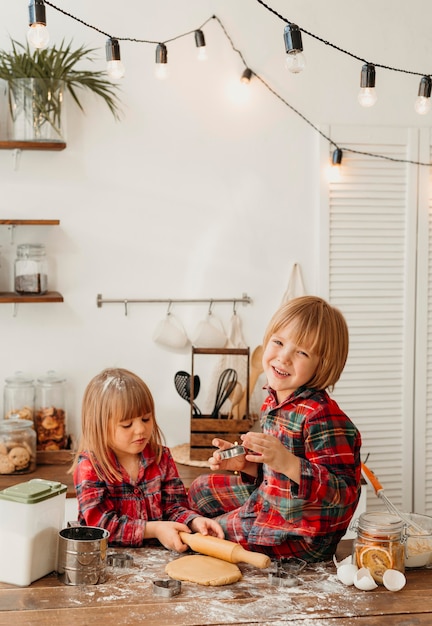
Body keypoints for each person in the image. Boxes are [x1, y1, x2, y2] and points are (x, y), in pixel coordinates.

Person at [187, 295, 362, 562]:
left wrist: (288, 462)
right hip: (275, 501)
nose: (283, 357)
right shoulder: (273, 400)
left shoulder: (322, 416)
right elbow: (273, 476)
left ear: (322, 363)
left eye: (301, 352)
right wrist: (245, 464)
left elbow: (344, 494)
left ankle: (206, 530)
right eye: (278, 342)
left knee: (208, 535)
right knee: (200, 489)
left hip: (302, 532)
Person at [72, 367, 224, 551]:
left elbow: (174, 507)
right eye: (127, 425)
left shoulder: (162, 458)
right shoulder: (90, 467)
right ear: (99, 427)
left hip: (158, 559)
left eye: (145, 419)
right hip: (108, 560)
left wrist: (193, 521)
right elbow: (102, 526)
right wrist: (154, 529)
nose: (140, 430)